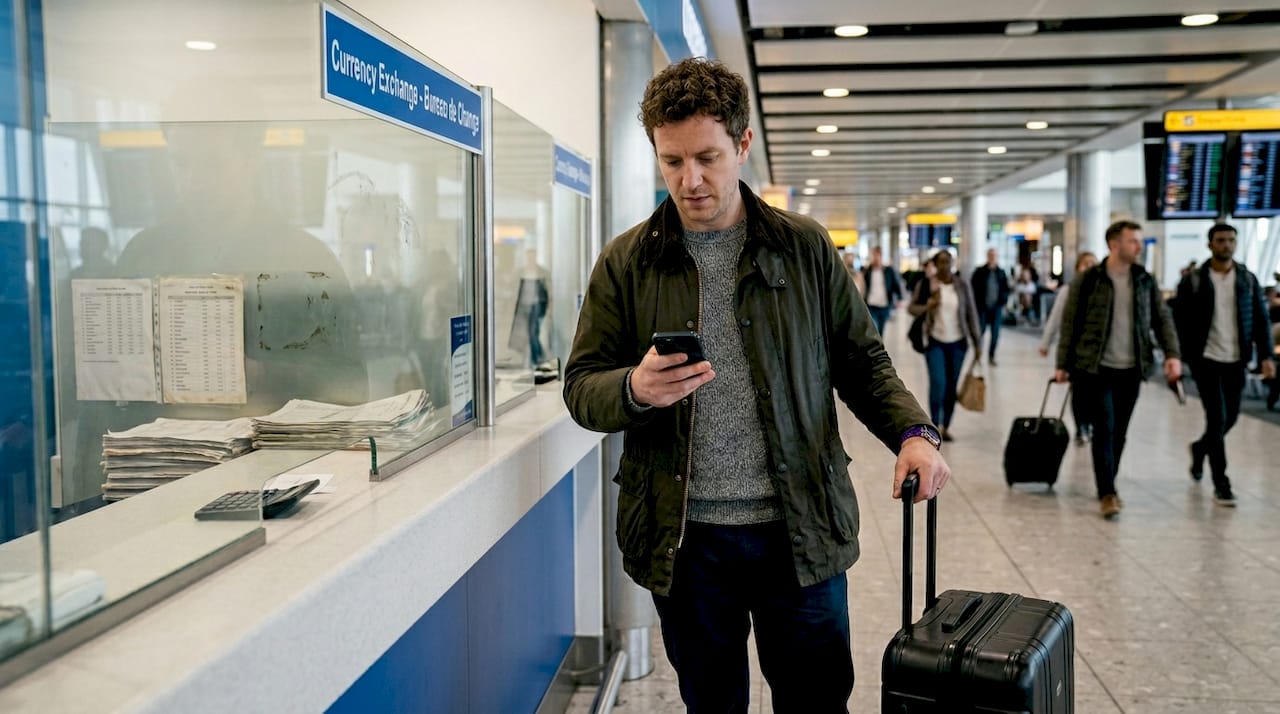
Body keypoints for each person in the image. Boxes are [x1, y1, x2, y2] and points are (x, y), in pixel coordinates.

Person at [562, 57, 949, 712]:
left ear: (742, 145)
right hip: (684, 541)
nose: (690, 180)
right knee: (711, 703)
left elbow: (862, 361)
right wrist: (633, 388)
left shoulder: (804, 247)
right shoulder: (627, 262)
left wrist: (914, 433)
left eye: (707, 158)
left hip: (799, 530)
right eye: (671, 161)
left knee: (815, 702)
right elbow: (581, 385)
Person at [1055, 220, 1181, 519]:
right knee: (1105, 427)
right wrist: (1062, 364)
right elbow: (1070, 323)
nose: (1139, 246)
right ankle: (1107, 491)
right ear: (1114, 244)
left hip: (1132, 367)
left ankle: (1108, 480)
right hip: (1096, 367)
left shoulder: (1144, 280)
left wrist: (1172, 354)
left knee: (1120, 431)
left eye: (1139, 241)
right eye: (1133, 241)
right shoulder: (1089, 279)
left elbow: (1162, 319)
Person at [1174, 224, 1275, 506]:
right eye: (1220, 240)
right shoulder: (1194, 281)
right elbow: (1179, 321)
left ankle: (1200, 449)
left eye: (1231, 240)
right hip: (1206, 359)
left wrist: (1266, 356)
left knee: (1230, 418)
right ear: (1210, 245)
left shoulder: (1247, 280)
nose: (1226, 245)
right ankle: (1221, 482)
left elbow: (1261, 321)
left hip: (1236, 359)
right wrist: (1181, 356)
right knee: (1217, 418)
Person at [909, 250, 982, 443]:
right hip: (934, 342)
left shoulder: (962, 285)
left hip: (958, 343)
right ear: (935, 264)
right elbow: (911, 308)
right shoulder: (926, 284)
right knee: (938, 384)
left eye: (948, 262)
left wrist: (978, 342)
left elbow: (971, 313)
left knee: (951, 385)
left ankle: (947, 425)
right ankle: (934, 426)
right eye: (941, 262)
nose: (945, 266)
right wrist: (928, 306)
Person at [1038, 252, 1099, 445]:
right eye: (1085, 264)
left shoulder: (1103, 291)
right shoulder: (1069, 290)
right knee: (1080, 391)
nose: (1089, 267)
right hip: (1076, 351)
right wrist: (1045, 343)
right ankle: (1082, 426)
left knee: (1096, 392)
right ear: (1078, 268)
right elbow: (1055, 318)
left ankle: (1092, 424)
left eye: (1092, 264)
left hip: (1098, 352)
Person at [970, 248, 1010, 365]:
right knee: (979, 333)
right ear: (987, 256)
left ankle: (991, 356)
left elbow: (1005, 289)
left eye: (994, 255)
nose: (992, 258)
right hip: (982, 308)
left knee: (995, 334)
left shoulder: (1001, 273)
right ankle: (977, 355)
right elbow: (973, 288)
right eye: (990, 255)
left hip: (996, 308)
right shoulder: (980, 272)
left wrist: (1003, 301)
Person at [861, 246, 904, 335]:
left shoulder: (888, 271)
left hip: (884, 305)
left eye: (877, 255)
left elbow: (896, 284)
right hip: (871, 304)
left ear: (881, 256)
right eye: (874, 255)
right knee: (874, 328)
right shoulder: (868, 271)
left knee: (881, 330)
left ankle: (879, 342)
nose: (876, 258)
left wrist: (900, 298)